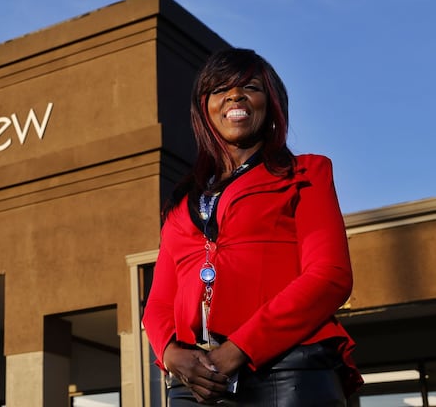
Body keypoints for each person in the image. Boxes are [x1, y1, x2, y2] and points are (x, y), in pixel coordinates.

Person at [142, 48, 363, 405]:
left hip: (286, 371)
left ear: (271, 103)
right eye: (219, 89)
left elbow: (329, 275)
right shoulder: (181, 202)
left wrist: (237, 351)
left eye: (250, 86)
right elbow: (158, 302)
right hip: (195, 383)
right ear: (204, 108)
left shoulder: (306, 174)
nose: (234, 95)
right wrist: (170, 354)